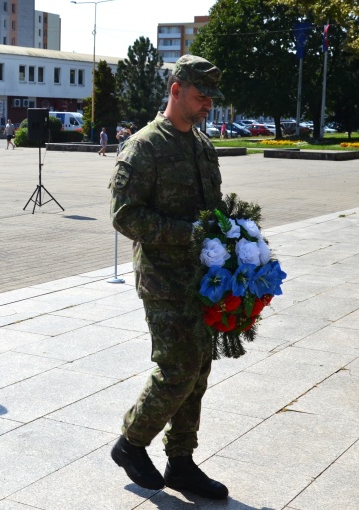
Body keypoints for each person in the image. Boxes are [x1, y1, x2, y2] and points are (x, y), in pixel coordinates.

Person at [109, 55, 229, 500]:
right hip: (162, 278)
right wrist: (189, 234)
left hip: (201, 278)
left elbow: (210, 208)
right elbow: (125, 215)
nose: (207, 106)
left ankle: (180, 461)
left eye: (210, 98)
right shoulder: (144, 147)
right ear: (176, 90)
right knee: (176, 368)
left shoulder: (201, 146)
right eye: (200, 97)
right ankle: (131, 441)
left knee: (199, 368)